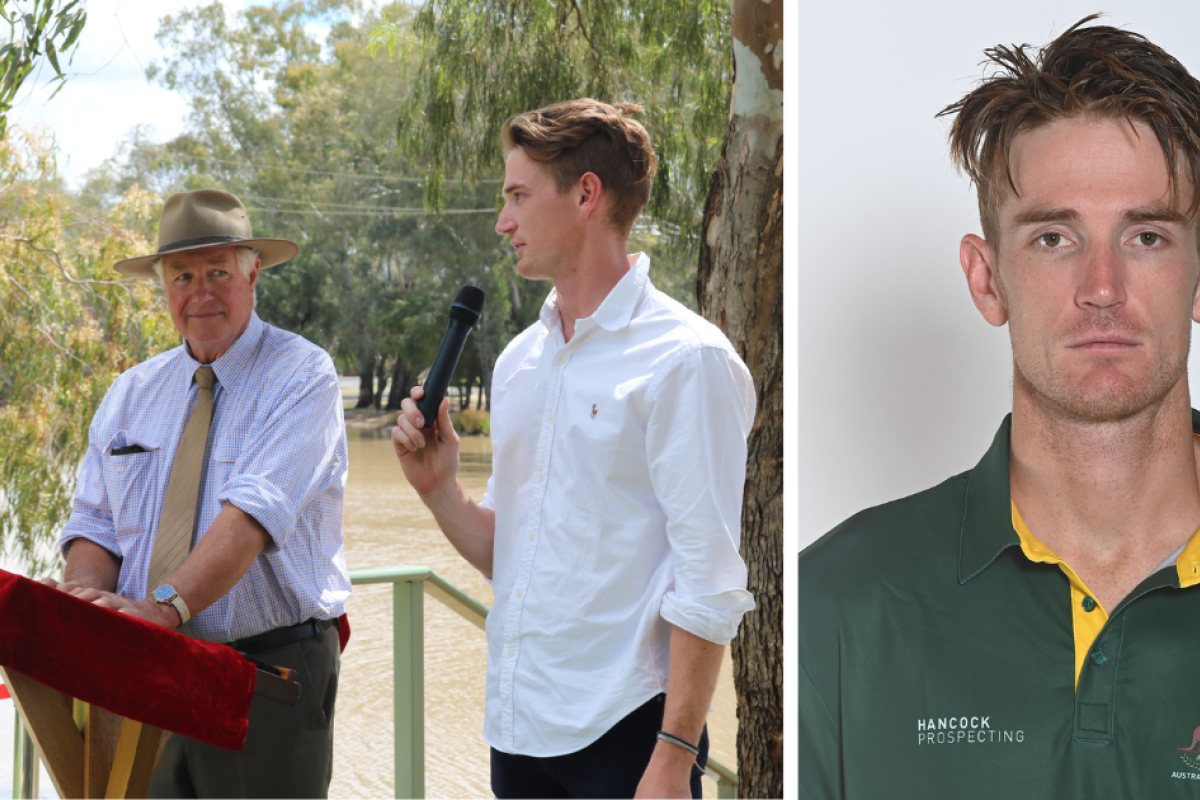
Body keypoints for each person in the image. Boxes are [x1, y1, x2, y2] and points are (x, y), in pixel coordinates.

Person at [796, 16, 1200, 798]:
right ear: (987, 280)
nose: (1103, 288)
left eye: (1146, 236)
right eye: (1054, 238)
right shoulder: (840, 605)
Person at [391, 99, 756, 799]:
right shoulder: (520, 362)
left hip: (630, 737)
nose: (503, 222)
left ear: (586, 194)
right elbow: (514, 554)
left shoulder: (686, 360)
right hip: (519, 732)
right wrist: (440, 490)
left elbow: (708, 582)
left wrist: (674, 758)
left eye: (518, 197)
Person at [41, 189, 350, 798]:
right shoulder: (131, 390)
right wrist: (82, 604)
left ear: (253, 273)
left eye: (218, 272)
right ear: (162, 284)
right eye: (183, 275)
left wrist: (160, 611)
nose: (201, 291)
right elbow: (95, 523)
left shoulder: (302, 374)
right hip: (141, 670)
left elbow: (251, 517)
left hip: (263, 676)